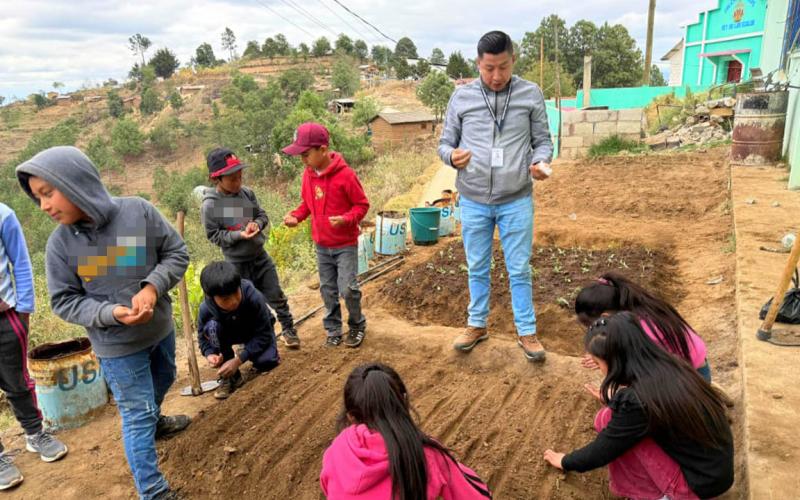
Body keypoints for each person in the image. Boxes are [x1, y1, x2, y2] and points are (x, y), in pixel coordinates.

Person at [16, 146, 190, 500]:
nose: (44, 206)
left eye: (48, 193)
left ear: (76, 183)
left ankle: (155, 421)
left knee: (165, 378)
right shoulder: (60, 246)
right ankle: (153, 491)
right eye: (38, 198)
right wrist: (112, 314)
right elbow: (64, 301)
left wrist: (152, 287)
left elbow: (176, 253)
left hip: (159, 329)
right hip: (117, 348)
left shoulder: (138, 212)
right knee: (136, 413)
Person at [437, 30, 553, 362]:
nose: (497, 76)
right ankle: (477, 324)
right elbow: (444, 143)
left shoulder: (530, 94)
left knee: (519, 268)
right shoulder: (462, 98)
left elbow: (543, 141)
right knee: (476, 265)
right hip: (473, 199)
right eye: (489, 68)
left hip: (516, 198)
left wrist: (540, 162)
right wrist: (451, 156)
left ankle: (526, 331)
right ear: (478, 63)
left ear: (513, 60)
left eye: (503, 67)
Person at [543, 312, 734, 500]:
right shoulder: (667, 363)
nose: (600, 369)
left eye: (597, 363)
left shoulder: (638, 401)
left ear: (616, 361)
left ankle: (659, 496)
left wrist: (565, 461)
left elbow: (604, 449)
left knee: (616, 430)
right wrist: (614, 400)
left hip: (697, 485)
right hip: (712, 469)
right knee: (609, 418)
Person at [320, 363, 492, 499]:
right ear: (403, 401)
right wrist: (449, 466)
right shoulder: (426, 455)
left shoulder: (336, 449)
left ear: (351, 416)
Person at [201, 147, 299, 349]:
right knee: (246, 304)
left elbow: (262, 215)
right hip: (237, 264)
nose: (238, 182)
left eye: (240, 177)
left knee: (276, 294)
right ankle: (257, 339)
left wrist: (257, 224)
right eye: (232, 179)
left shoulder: (246, 194)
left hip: (260, 256)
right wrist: (239, 235)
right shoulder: (211, 206)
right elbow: (214, 235)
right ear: (216, 179)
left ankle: (288, 329)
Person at [282, 122, 370, 348]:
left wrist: (346, 219)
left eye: (306, 154)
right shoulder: (308, 175)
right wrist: (296, 217)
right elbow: (307, 204)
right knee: (327, 290)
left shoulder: (346, 175)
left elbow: (362, 205)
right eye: (300, 155)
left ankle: (357, 324)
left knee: (348, 289)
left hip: (345, 244)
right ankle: (333, 329)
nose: (303, 160)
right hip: (321, 245)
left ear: (322, 149)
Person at [0, 202, 68, 490]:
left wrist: (24, 308)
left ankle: (34, 434)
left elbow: (20, 261)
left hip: (6, 316)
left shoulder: (3, 215)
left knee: (18, 381)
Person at [575, 272, 711, 382]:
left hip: (693, 378)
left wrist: (604, 360)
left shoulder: (642, 329)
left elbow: (634, 367)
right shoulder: (638, 309)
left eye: (595, 325)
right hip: (691, 366)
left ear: (605, 316)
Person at [197, 261, 280, 400]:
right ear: (212, 297)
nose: (234, 301)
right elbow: (202, 337)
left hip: (255, 331)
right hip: (229, 333)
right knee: (211, 327)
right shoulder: (206, 309)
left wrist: (239, 359)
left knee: (267, 361)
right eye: (225, 299)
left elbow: (264, 333)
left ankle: (245, 351)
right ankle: (231, 376)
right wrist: (209, 353)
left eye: (236, 292)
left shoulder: (254, 297)